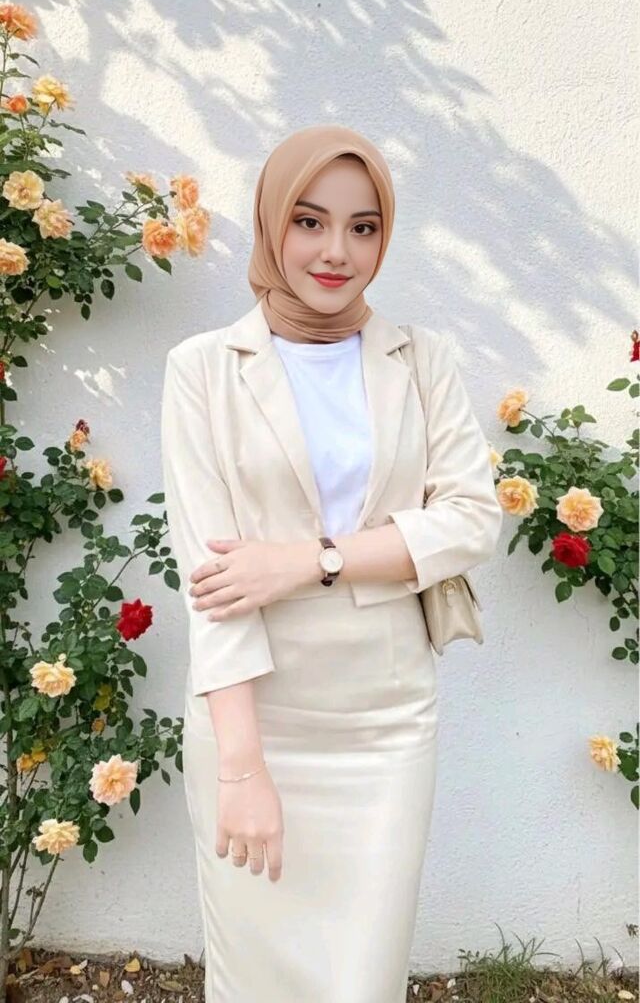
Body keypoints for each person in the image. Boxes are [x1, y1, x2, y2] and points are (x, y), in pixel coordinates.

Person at [160, 124, 502, 1003]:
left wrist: (309, 561)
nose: (336, 252)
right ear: (271, 222)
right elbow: (212, 585)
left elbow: (470, 519)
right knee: (256, 979)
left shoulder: (422, 361)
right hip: (256, 720)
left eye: (363, 227)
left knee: (363, 978)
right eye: (309, 221)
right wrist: (242, 767)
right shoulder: (202, 370)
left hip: (385, 725)